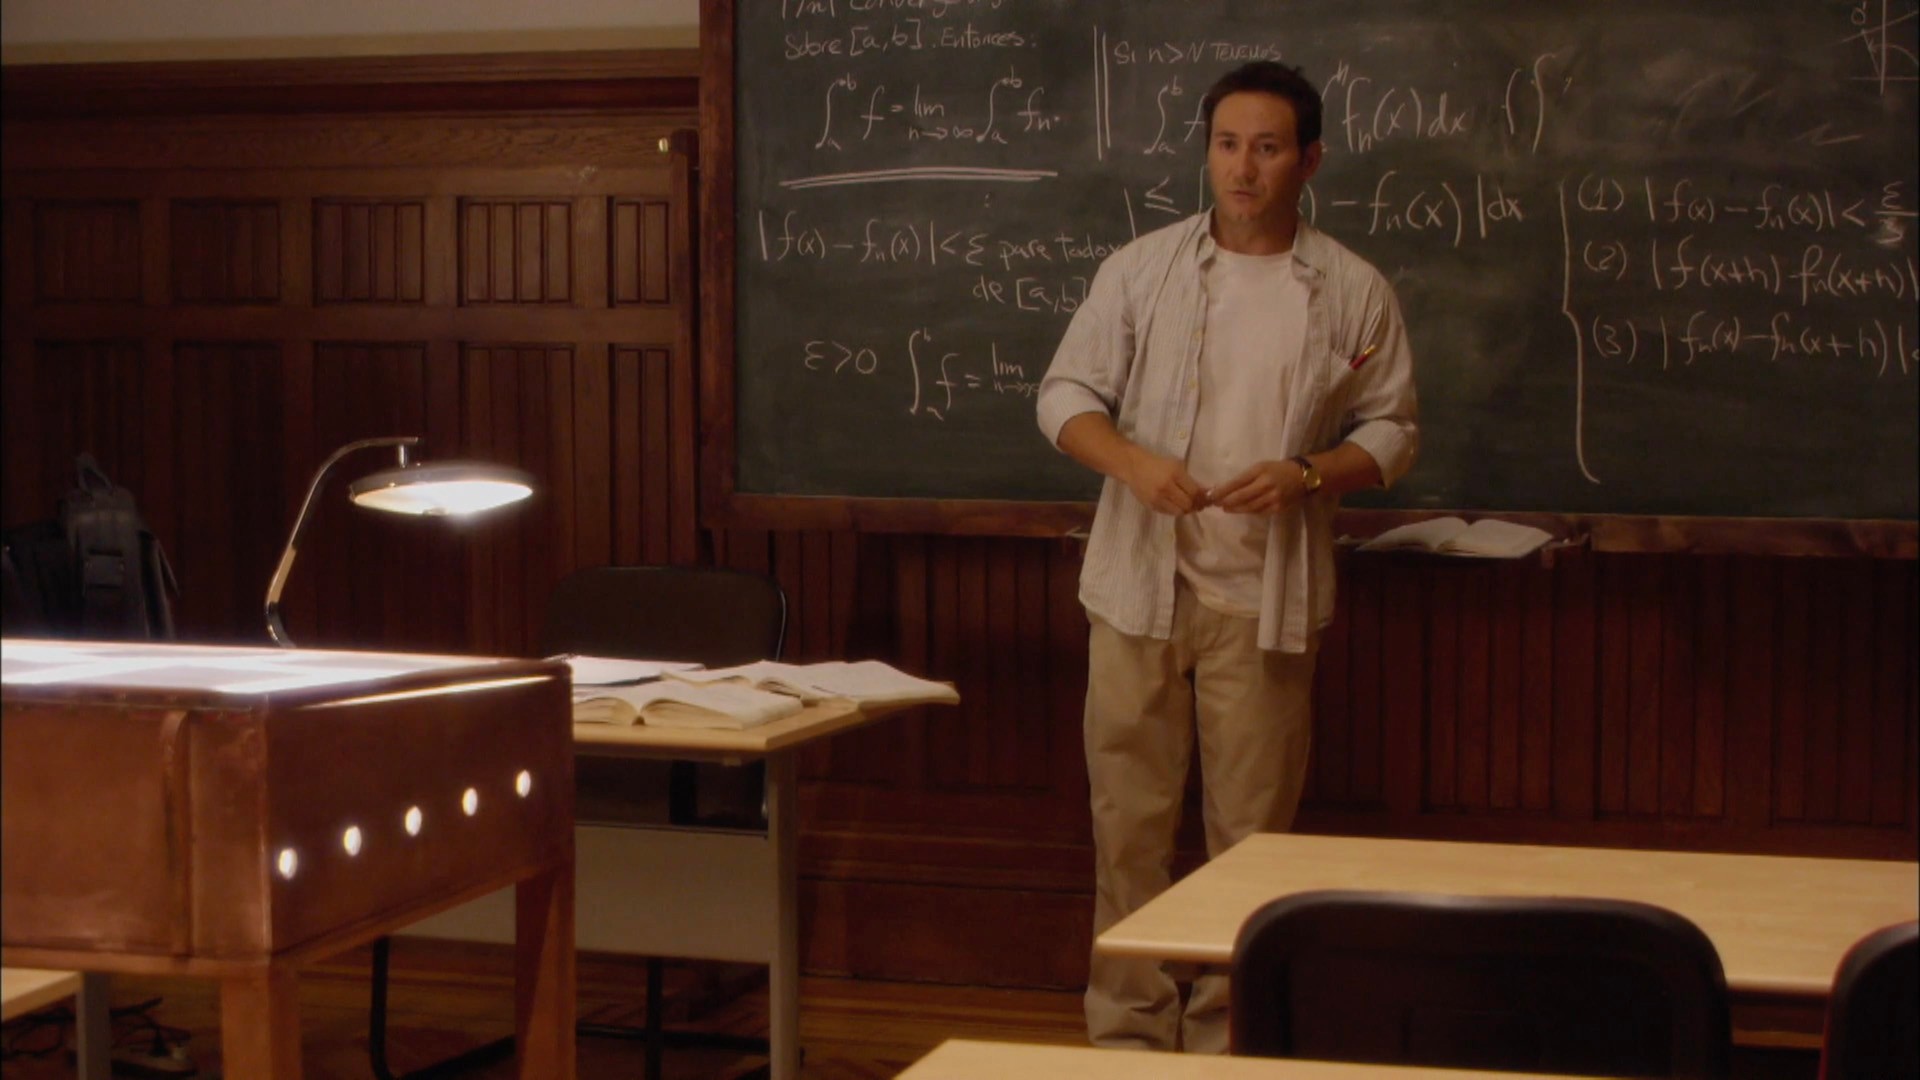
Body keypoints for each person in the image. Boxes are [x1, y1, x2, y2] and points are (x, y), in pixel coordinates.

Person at [1034, 60, 1419, 1053]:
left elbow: (1393, 432)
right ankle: (1128, 1036)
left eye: (1268, 148)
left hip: (1265, 603)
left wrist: (1307, 474)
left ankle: (1225, 1042)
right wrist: (1132, 463)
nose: (1244, 169)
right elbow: (1063, 396)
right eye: (1227, 145)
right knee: (1128, 829)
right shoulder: (1143, 270)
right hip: (1138, 593)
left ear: (1309, 160)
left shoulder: (1351, 289)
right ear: (1207, 153)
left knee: (1250, 847)